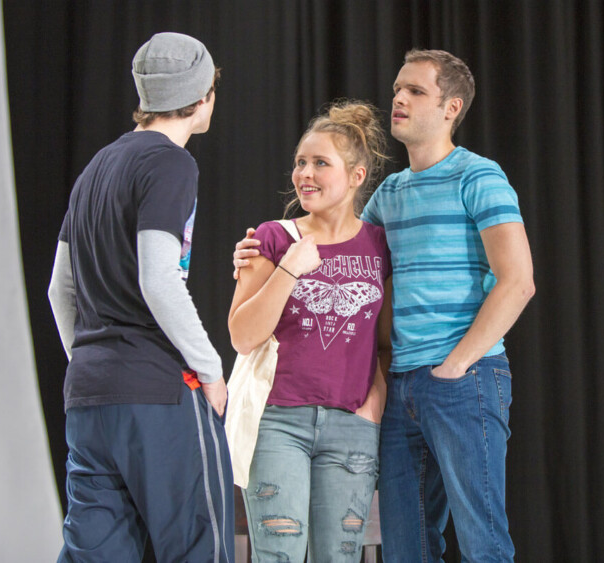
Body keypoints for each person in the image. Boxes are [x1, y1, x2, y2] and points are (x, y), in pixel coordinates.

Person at [234, 49, 535, 563]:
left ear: (451, 107)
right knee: (405, 546)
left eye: (416, 91)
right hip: (400, 389)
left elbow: (518, 282)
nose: (399, 98)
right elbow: (341, 238)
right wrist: (265, 247)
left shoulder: (478, 177)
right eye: (398, 88)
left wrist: (457, 363)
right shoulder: (389, 196)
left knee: (482, 540)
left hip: (463, 380)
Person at [47, 32, 234, 562]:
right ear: (202, 98)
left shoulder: (95, 168)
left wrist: (95, 359)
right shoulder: (171, 163)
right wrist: (212, 371)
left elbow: (60, 288)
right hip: (157, 391)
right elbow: (159, 278)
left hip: (89, 394)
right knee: (199, 548)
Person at [228, 100, 392, 562]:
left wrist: (374, 402)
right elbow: (242, 336)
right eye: (301, 162)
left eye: (321, 163)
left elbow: (384, 342)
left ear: (357, 176)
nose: (305, 173)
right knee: (279, 555)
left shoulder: (379, 245)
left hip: (351, 426)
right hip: (278, 422)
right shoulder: (273, 238)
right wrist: (289, 270)